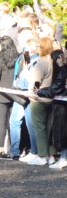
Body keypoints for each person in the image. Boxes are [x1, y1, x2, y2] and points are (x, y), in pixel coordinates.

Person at [27, 37, 56, 166]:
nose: (36, 49)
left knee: (39, 128)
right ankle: (51, 154)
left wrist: (31, 94)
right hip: (51, 99)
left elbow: (36, 83)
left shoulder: (41, 63)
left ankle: (42, 155)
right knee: (50, 127)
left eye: (38, 46)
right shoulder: (53, 62)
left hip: (39, 99)